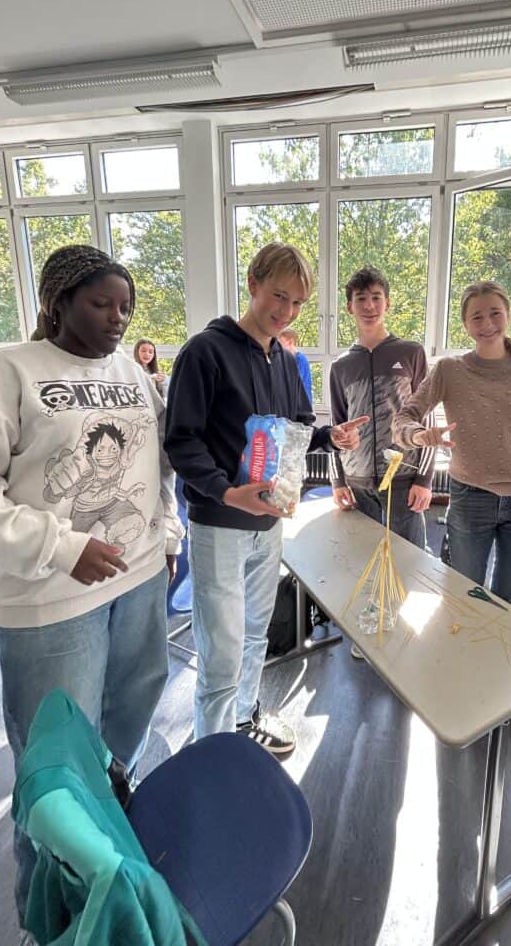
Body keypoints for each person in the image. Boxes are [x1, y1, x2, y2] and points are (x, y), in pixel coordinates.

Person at [0, 244, 183, 927]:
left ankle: (110, 865)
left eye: (125, 307)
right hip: (51, 603)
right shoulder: (3, 375)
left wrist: (168, 537)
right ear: (57, 304)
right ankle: (48, 920)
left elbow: (158, 466)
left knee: (122, 737)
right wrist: (61, 548)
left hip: (139, 581)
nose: (117, 318)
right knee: (55, 774)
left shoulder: (133, 374)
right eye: (100, 303)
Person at [164, 242, 368, 753]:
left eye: (298, 303)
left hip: (270, 522)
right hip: (219, 525)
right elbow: (181, 441)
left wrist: (330, 437)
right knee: (222, 648)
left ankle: (242, 719)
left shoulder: (285, 359)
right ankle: (213, 753)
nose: (287, 311)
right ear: (253, 283)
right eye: (279, 295)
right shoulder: (204, 352)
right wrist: (227, 492)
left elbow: (296, 430)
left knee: (256, 632)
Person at [392, 279, 511, 607]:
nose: (487, 323)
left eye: (495, 313)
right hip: (470, 499)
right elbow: (403, 419)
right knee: (465, 598)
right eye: (477, 317)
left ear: (508, 315)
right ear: (465, 324)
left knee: (508, 602)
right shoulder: (450, 370)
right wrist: (418, 435)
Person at [329, 266, 434, 550]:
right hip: (358, 485)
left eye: (376, 297)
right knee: (362, 564)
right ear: (350, 307)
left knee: (410, 563)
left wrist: (424, 479)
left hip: (403, 481)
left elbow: (427, 419)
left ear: (387, 303)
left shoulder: (411, 353)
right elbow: (336, 429)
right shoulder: (341, 366)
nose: (369, 306)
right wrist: (338, 481)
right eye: (361, 298)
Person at [278, 326, 313, 405]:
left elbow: (294, 384)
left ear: (290, 342)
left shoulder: (300, 359)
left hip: (301, 405)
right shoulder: (283, 359)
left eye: (280, 343)